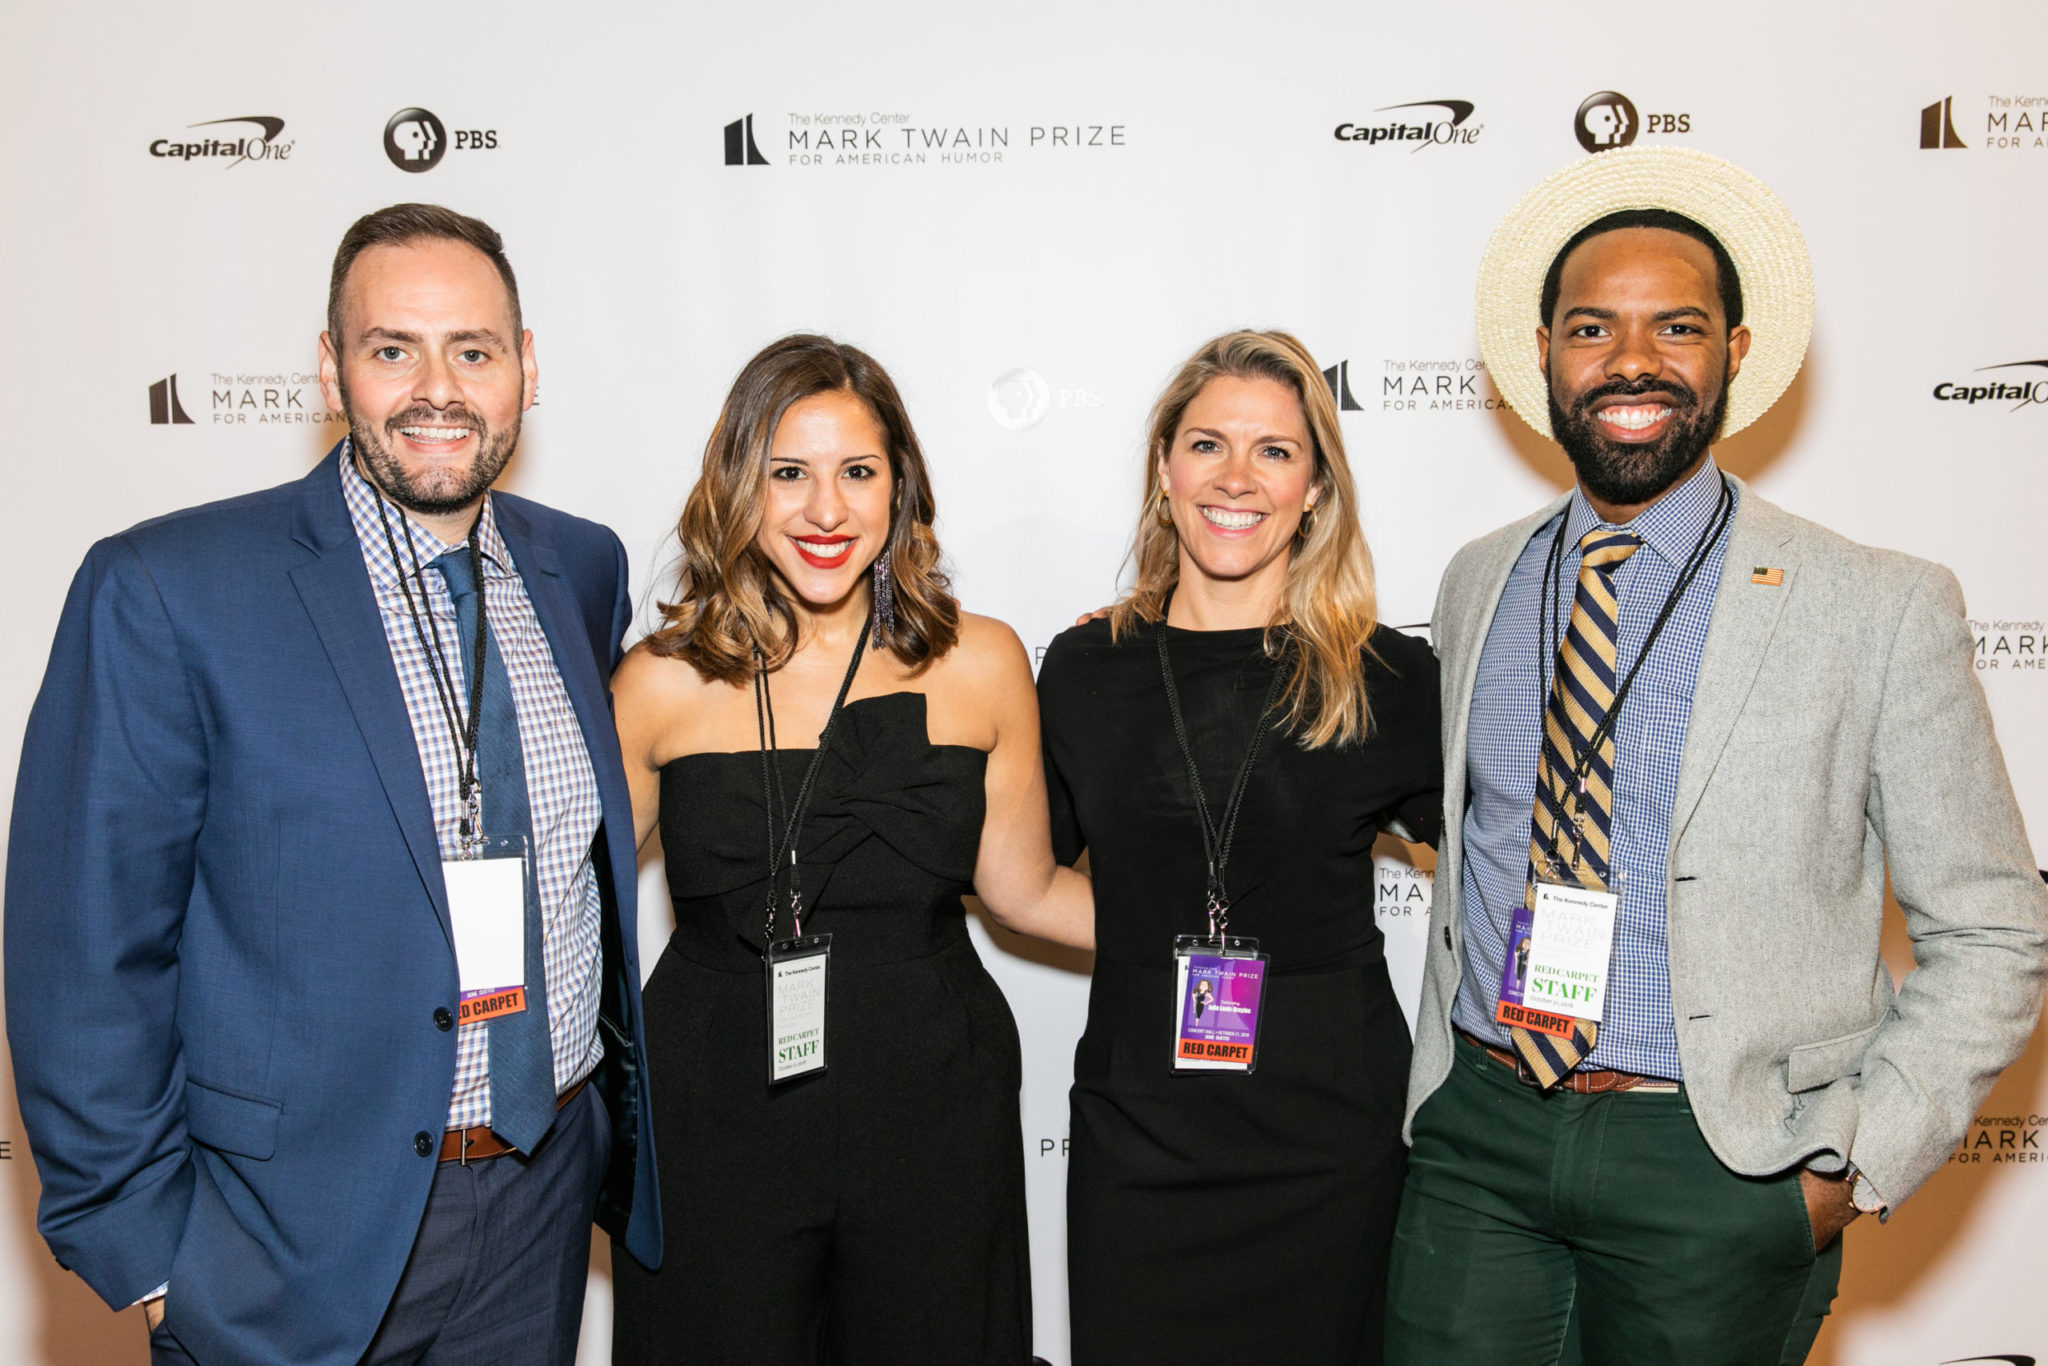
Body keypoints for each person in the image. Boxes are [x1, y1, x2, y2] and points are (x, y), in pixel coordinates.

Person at [1386, 146, 2048, 1365]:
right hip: (1480, 1134)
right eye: (1592, 328)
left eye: (1675, 327)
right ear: (1542, 352)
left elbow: (1994, 926)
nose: (1630, 361)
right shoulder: (1478, 579)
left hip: (1717, 1160)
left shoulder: (1873, 603)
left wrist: (1847, 1165)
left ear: (1734, 351)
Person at [4, 203, 662, 1366]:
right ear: (329, 368)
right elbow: (84, 951)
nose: (437, 389)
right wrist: (155, 1261)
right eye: (392, 348)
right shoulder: (168, 587)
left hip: (541, 1197)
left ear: (526, 368)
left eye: (473, 350)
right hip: (285, 1243)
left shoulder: (581, 565)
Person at [608, 334, 1091, 1365]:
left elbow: (1027, 890)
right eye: (789, 472)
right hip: (713, 1107)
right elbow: (579, 913)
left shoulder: (982, 660)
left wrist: (1228, 932)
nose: (825, 510)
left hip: (932, 1097)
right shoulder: (659, 680)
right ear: (738, 483)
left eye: (857, 472)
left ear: (899, 487)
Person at [1039, 330, 1443, 1364]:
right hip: (1141, 1132)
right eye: (1207, 444)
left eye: (1274, 451)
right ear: (1164, 468)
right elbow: (1025, 879)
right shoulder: (1084, 667)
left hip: (1329, 1137)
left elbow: (1497, 864)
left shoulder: (1386, 677)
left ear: (1314, 489)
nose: (1236, 477)